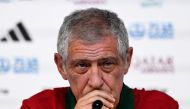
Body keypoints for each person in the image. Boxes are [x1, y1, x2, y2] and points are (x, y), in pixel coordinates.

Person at [20, 8, 178, 109]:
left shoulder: (160, 106)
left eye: (107, 64)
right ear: (61, 66)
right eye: (82, 65)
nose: (95, 82)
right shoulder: (36, 106)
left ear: (127, 60)